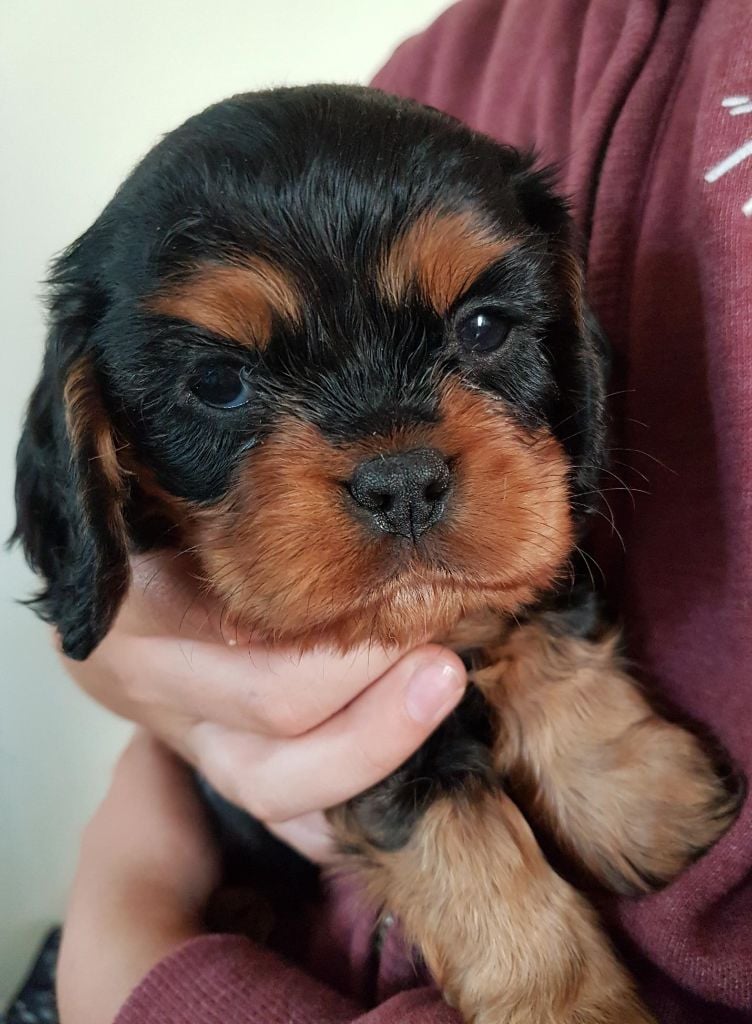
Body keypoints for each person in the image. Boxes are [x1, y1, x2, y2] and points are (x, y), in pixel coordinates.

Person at [55, 1, 752, 1022]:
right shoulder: (451, 59)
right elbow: (100, 630)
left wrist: (133, 959)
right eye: (220, 384)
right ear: (91, 430)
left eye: (483, 329)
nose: (396, 472)